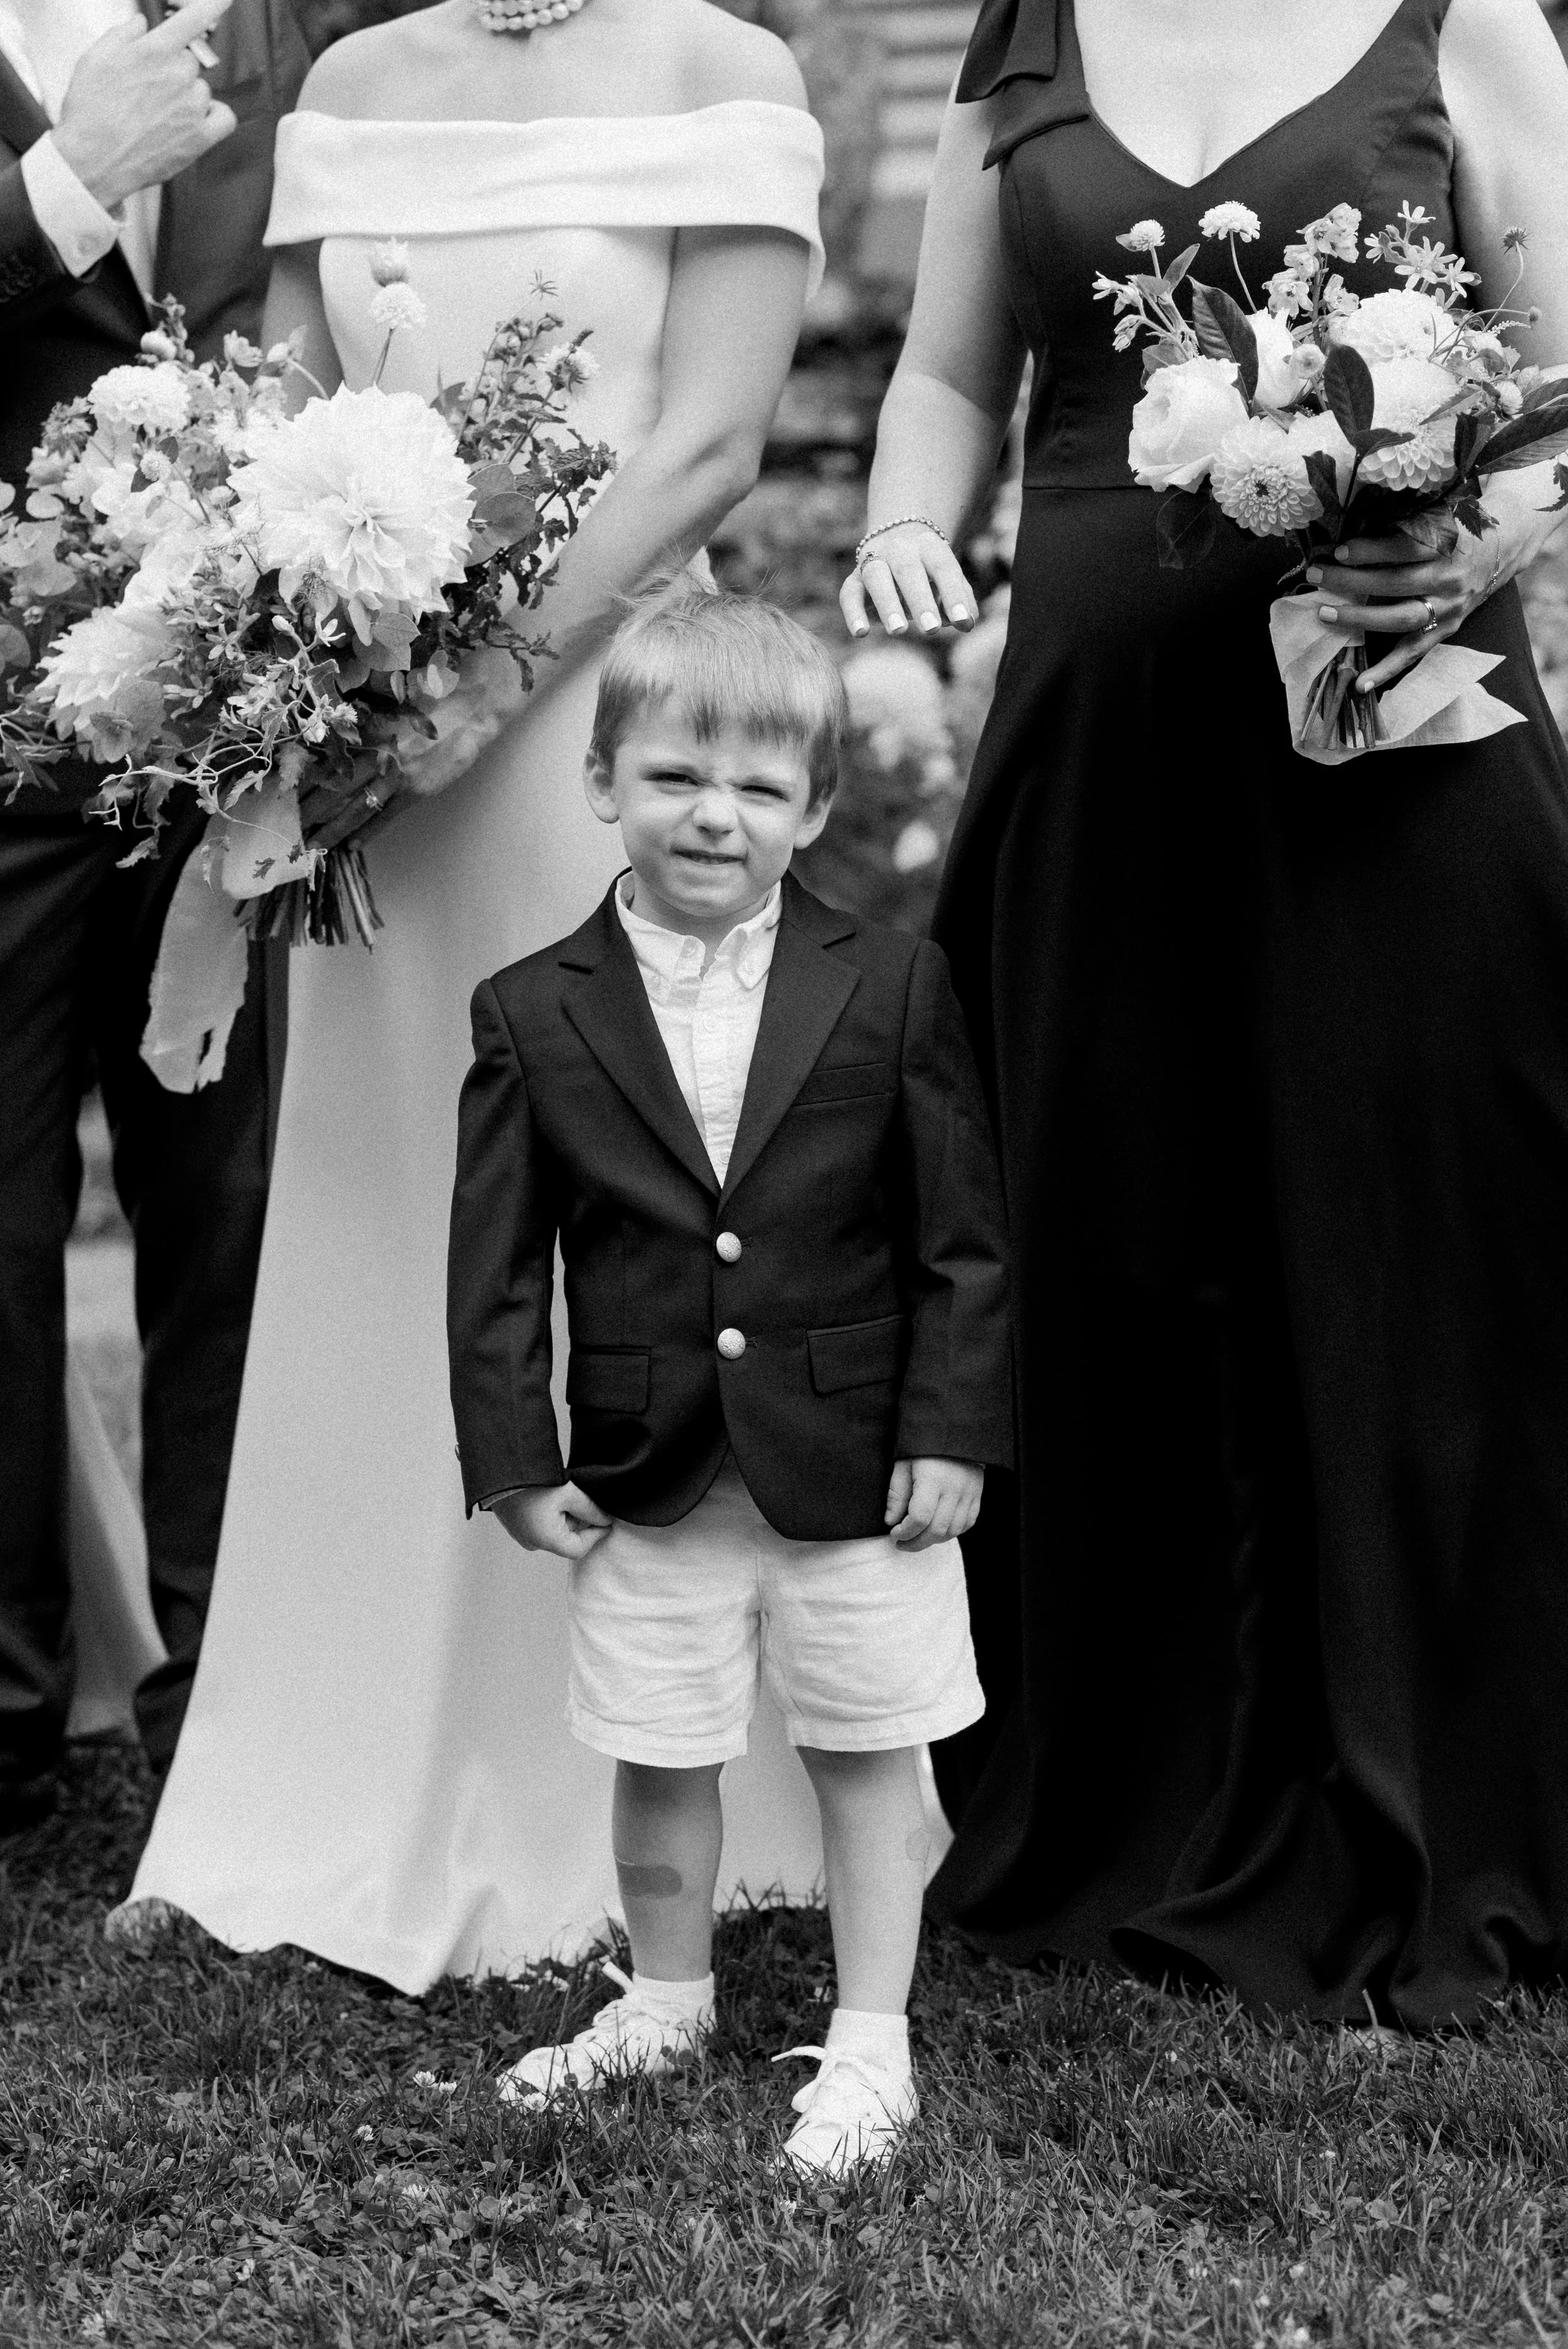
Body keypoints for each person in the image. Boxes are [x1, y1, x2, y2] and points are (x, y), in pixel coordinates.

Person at [840, 0, 1568, 2028]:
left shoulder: (1463, 18)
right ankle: (1114, 1790)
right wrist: (906, 524)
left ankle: (1460, 1782)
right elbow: (943, 374)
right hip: (1098, 744)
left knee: (1421, 1238)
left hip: (1400, 733)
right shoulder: (1024, 32)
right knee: (1101, 1241)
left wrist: (1472, 536)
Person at [120, 0, 838, 1983]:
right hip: (366, 759)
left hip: (583, 743)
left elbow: (704, 439)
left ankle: (617, 1787)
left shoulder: (731, 68)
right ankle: (318, 1760)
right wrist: (295, 675)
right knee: (369, 1215)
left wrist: (482, 686)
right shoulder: (350, 84)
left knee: (598, 1225)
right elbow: (258, 419)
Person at [447, 588, 1012, 2171]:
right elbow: (494, 1261)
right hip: (647, 1461)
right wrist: (511, 1451)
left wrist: (951, 1432)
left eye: (762, 788)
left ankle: (873, 2039)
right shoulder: (531, 1009)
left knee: (865, 1747)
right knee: (659, 1744)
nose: (717, 815)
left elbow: (959, 1242)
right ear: (605, 782)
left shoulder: (889, 985)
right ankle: (666, 1997)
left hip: (855, 1476)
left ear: (814, 807)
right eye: (680, 776)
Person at [0, 0, 314, 1828]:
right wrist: (59, 181)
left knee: (240, 1224)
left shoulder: (271, 20)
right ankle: (10, 1721)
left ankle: (235, 1691)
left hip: (235, 738)